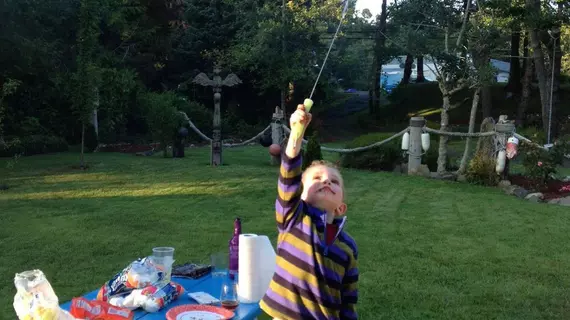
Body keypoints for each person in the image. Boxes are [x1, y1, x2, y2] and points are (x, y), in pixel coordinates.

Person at [259, 104, 359, 320]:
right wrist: (296, 132)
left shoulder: (348, 250)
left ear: (341, 207)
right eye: (317, 178)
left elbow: (348, 302)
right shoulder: (294, 217)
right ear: (300, 196)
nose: (326, 181)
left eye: (334, 181)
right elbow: (289, 175)